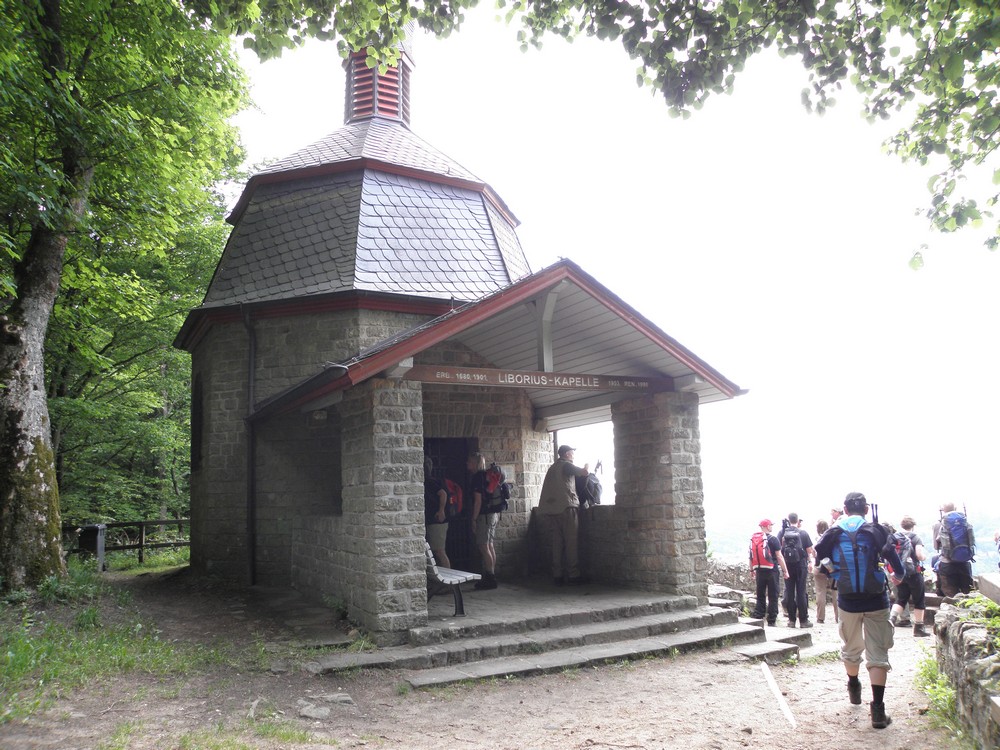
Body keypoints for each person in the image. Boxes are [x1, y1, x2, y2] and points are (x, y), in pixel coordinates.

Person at [814, 491, 903, 730]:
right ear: (865, 510)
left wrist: (835, 572)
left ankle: (853, 685)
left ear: (844, 510)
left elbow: (819, 564)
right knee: (878, 653)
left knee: (851, 646)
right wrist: (898, 576)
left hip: (848, 601)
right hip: (876, 600)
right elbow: (897, 565)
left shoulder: (832, 532)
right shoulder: (876, 530)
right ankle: (878, 712)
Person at [537, 444, 590, 585]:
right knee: (571, 543)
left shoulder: (552, 468)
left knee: (557, 544)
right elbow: (583, 473)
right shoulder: (566, 465)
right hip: (567, 508)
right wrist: (586, 467)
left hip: (552, 510)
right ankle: (573, 575)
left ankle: (557, 575)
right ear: (567, 454)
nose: (573, 454)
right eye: (572, 452)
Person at [889, 516, 930, 637]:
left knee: (901, 598)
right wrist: (924, 557)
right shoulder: (915, 537)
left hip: (899, 573)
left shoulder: (895, 537)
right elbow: (919, 555)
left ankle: (891, 620)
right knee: (919, 600)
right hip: (914, 573)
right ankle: (919, 628)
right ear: (913, 526)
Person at [777, 513, 814, 628]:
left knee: (789, 591)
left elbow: (778, 550)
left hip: (787, 566)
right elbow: (809, 550)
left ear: (788, 520)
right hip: (801, 566)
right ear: (798, 521)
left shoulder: (782, 533)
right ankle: (803, 620)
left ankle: (791, 620)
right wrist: (810, 562)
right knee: (801, 592)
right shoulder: (803, 533)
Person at [749, 519, 789, 626]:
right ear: (767, 526)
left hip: (759, 570)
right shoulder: (773, 539)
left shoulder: (754, 539)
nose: (771, 527)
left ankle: (759, 615)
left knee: (760, 594)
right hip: (772, 571)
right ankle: (771, 620)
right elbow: (779, 556)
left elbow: (751, 556)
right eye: (770, 525)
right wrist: (785, 571)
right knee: (773, 595)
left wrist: (752, 570)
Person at [467, 452, 498, 590]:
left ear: (474, 463)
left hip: (484, 515)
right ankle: (491, 575)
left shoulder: (477, 478)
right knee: (490, 545)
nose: (466, 464)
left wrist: (473, 519)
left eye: (469, 461)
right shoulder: (486, 476)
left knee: (483, 546)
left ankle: (490, 578)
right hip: (492, 515)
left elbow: (478, 501)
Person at [932, 502, 975, 597]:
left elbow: (936, 547)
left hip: (947, 563)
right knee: (967, 594)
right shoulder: (964, 522)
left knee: (951, 597)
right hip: (964, 562)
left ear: (943, 510)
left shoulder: (938, 524)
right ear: (955, 508)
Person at [424, 456, 451, 568]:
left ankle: (449, 584)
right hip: (432, 521)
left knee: (439, 551)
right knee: (435, 552)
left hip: (437, 521)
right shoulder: (431, 481)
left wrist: (441, 511)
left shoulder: (430, 482)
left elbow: (443, 494)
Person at [814, 519, 838, 625]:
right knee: (835, 592)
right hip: (832, 566)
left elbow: (814, 554)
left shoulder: (816, 539)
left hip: (819, 567)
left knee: (820, 592)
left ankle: (820, 617)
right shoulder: (831, 538)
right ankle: (838, 617)